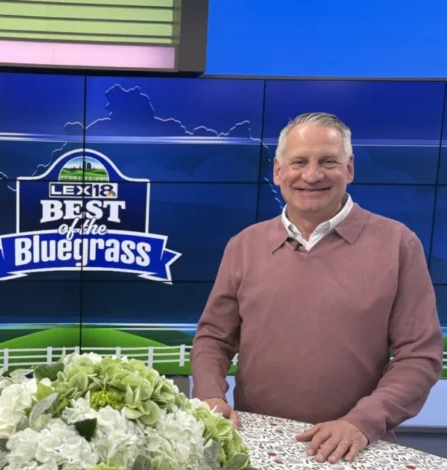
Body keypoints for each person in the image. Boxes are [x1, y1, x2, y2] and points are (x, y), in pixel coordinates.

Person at [190, 112, 443, 465]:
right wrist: (210, 396)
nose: (312, 175)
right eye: (299, 162)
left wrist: (361, 423)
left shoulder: (398, 244)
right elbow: (213, 338)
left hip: (352, 449)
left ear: (349, 169)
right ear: (278, 171)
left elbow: (419, 356)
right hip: (256, 441)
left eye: (328, 161)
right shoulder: (244, 245)